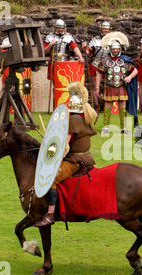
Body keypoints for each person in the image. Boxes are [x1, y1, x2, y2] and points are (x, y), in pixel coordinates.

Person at [35, 82, 98, 227]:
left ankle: (50, 214)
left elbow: (65, 145)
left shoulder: (74, 120)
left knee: (51, 180)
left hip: (75, 160)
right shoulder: (84, 117)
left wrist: (53, 154)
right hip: (85, 157)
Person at [95, 33, 138, 135]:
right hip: (109, 87)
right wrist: (97, 88)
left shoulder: (125, 60)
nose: (115, 50)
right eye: (113, 49)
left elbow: (135, 70)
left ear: (120, 49)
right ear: (110, 49)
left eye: (117, 49)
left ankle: (124, 128)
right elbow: (99, 74)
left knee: (122, 107)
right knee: (107, 107)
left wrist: (129, 77)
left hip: (121, 87)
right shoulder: (105, 61)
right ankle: (105, 128)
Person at [86, 21, 111, 113]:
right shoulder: (95, 40)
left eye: (107, 29)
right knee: (93, 86)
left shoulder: (113, 40)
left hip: (107, 66)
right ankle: (96, 105)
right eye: (104, 29)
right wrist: (86, 50)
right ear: (101, 29)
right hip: (95, 65)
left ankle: (106, 105)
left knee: (107, 85)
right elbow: (88, 51)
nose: (105, 30)